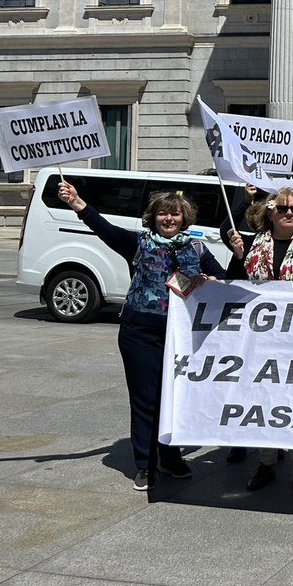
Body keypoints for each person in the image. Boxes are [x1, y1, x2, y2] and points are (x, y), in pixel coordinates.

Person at [57, 180, 226, 491]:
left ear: (184, 217)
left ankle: (171, 457)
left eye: (175, 214)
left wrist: (211, 278)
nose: (169, 219)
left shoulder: (197, 248)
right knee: (146, 399)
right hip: (140, 331)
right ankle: (145, 464)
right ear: (153, 217)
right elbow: (103, 228)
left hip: (180, 335)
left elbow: (225, 279)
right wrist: (76, 202)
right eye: (163, 213)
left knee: (174, 400)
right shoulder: (139, 244)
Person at [226, 187, 293, 494]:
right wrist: (238, 258)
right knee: (263, 402)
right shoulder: (254, 245)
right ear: (269, 212)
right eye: (282, 208)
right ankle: (266, 463)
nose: (289, 213)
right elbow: (233, 283)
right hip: (260, 340)